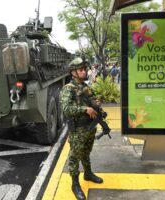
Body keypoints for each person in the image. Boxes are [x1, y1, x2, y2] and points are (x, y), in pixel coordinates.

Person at [60, 57, 103, 200]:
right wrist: (85, 109)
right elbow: (66, 109)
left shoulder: (86, 86)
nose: (84, 71)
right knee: (74, 157)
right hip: (78, 130)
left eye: (84, 69)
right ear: (73, 72)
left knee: (86, 152)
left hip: (89, 127)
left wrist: (96, 103)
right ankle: (75, 184)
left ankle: (88, 174)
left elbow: (92, 100)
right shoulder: (68, 89)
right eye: (80, 70)